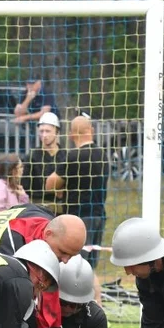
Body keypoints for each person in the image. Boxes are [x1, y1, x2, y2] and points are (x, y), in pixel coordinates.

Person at [47, 115, 108, 268]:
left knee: (75, 268)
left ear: (71, 135)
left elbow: (50, 184)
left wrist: (61, 189)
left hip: (77, 219)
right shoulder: (102, 155)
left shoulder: (73, 156)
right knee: (90, 268)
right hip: (98, 216)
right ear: (91, 131)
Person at [21, 111, 68, 212]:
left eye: (48, 131)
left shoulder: (66, 156)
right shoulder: (32, 156)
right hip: (37, 207)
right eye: (41, 131)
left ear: (57, 131)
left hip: (61, 207)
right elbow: (26, 186)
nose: (44, 135)